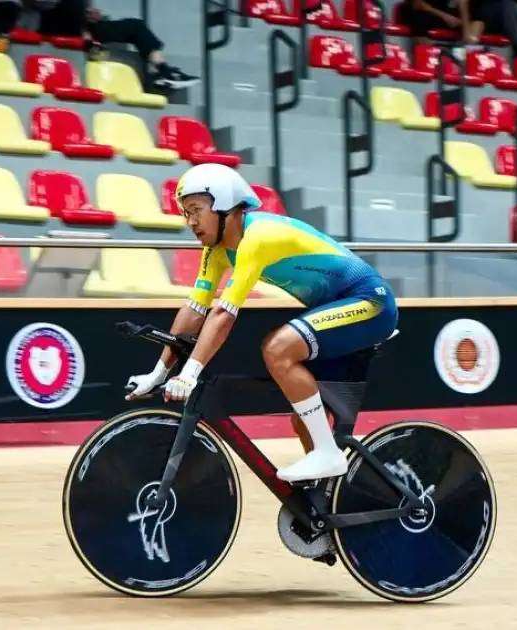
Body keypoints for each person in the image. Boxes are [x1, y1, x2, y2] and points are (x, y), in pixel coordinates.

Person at [124, 164, 399, 483]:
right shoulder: (217, 252)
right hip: (339, 307)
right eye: (186, 213)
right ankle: (326, 501)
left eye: (196, 210)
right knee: (305, 420)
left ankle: (327, 454)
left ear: (224, 204)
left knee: (277, 347)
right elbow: (195, 310)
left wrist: (189, 374)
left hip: (370, 301)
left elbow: (223, 314)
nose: (191, 222)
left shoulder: (257, 237)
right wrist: (158, 373)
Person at [37, 0, 198, 88]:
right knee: (73, 4)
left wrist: (93, 13)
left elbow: (87, 9)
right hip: (52, 23)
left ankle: (163, 70)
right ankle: (90, 44)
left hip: (84, 25)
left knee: (136, 25)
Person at [403, 0, 482, 50]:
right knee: (419, 18)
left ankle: (469, 51)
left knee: (478, 21)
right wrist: (445, 16)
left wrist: (462, 22)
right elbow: (417, 4)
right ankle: (428, 56)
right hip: (424, 13)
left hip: (445, 15)